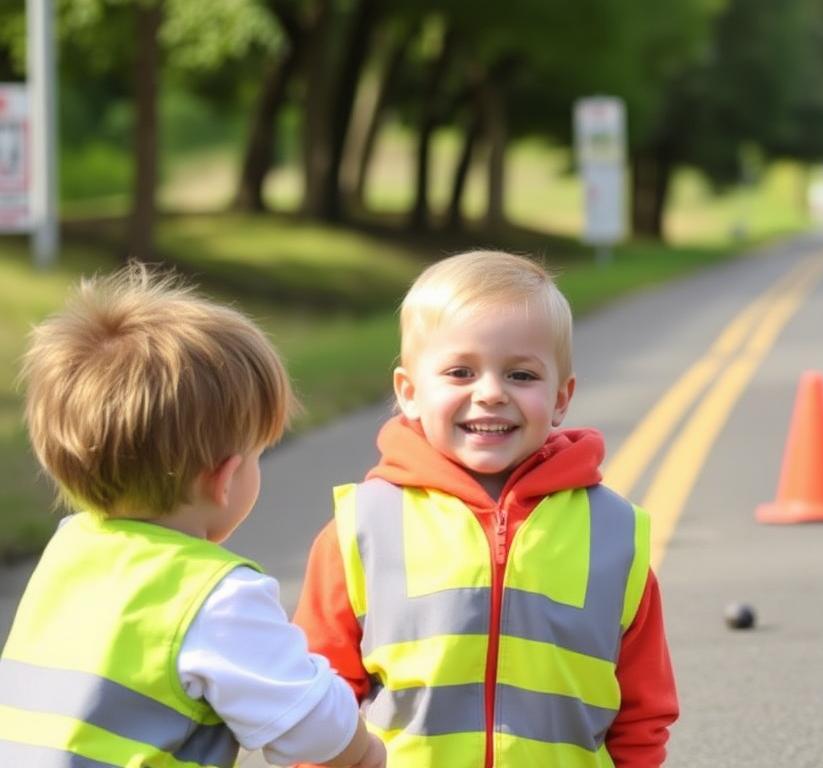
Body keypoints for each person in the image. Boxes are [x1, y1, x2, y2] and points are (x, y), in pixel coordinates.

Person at [293, 250, 678, 768]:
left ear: (561, 397)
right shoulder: (363, 527)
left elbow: (643, 711)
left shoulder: (614, 532)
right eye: (460, 372)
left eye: (521, 375)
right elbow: (317, 701)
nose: (491, 393)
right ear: (409, 392)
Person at [0, 265, 386, 768]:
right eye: (257, 455)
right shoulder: (215, 597)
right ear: (224, 479)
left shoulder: (68, 550)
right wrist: (366, 750)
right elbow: (316, 731)